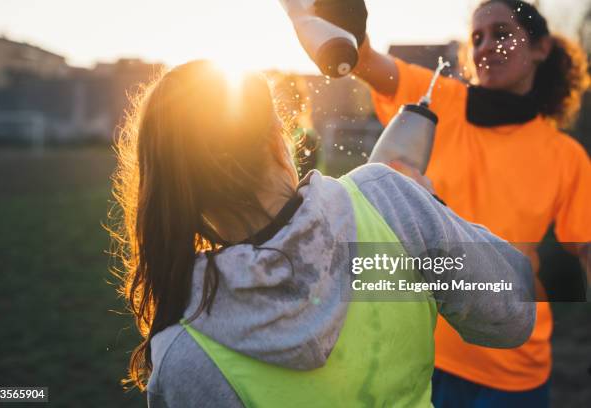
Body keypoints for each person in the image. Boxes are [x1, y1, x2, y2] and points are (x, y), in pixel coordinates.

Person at [111, 60, 536, 407]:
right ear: (277, 140)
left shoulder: (182, 357)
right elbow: (513, 316)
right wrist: (428, 207)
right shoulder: (387, 200)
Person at [311, 0, 591, 406]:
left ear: (540, 49)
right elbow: (367, 60)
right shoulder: (442, 102)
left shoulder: (567, 156)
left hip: (513, 367)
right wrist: (347, 30)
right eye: (477, 38)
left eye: (502, 34)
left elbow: (584, 251)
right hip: (422, 351)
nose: (485, 46)